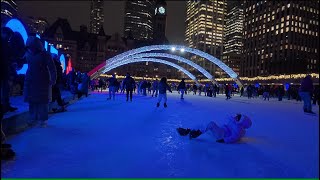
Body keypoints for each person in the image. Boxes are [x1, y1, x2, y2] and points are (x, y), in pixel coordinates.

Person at [23, 36, 57, 127]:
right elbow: (21, 61)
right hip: (31, 78)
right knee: (32, 99)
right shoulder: (27, 53)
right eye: (29, 47)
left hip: (42, 79)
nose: (31, 49)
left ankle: (42, 119)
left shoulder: (45, 54)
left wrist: (53, 79)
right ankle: (32, 117)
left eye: (32, 47)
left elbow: (52, 68)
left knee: (43, 100)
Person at [177, 113, 252, 143]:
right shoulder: (235, 122)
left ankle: (195, 134)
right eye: (238, 116)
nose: (236, 116)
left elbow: (234, 138)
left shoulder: (239, 129)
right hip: (222, 130)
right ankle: (189, 131)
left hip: (222, 135)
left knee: (211, 124)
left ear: (242, 122)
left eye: (238, 117)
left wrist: (224, 140)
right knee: (204, 125)